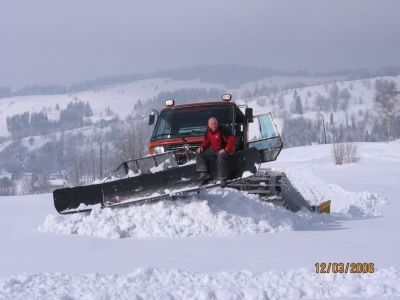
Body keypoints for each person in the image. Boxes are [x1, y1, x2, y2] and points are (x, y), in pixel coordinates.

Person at [196, 117, 236, 187]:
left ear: (217, 124)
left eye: (215, 124)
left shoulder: (223, 130)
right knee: (199, 152)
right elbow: (206, 141)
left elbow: (231, 140)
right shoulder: (208, 131)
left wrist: (225, 150)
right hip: (213, 150)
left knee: (221, 157)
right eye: (212, 124)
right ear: (208, 125)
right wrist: (201, 147)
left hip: (223, 151)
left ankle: (223, 178)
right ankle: (204, 172)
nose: (214, 126)